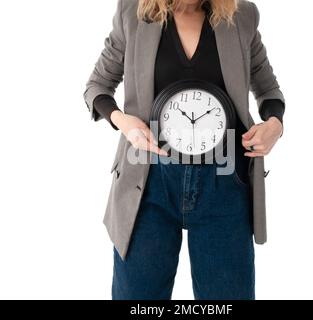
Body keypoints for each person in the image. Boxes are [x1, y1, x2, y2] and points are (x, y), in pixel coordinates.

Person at [83, 0, 285, 300]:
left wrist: (274, 125)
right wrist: (123, 122)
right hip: (147, 181)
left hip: (225, 181)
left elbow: (268, 90)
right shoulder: (132, 12)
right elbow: (97, 86)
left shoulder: (242, 15)